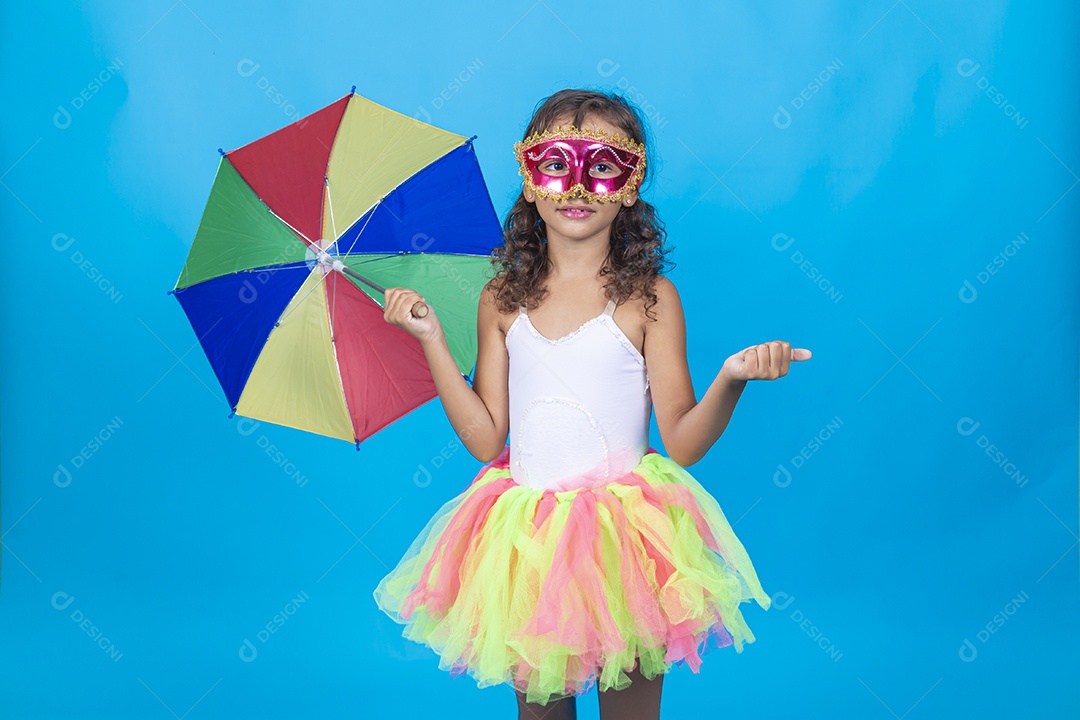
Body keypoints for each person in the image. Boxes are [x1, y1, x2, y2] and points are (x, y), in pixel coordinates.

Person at [374, 88, 811, 720]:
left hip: (624, 541)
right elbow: (485, 440)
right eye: (557, 164)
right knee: (542, 712)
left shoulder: (649, 299)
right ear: (530, 179)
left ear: (629, 185)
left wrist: (732, 377)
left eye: (602, 165)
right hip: (529, 543)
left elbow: (683, 442)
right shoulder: (499, 300)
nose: (577, 184)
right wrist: (431, 340)